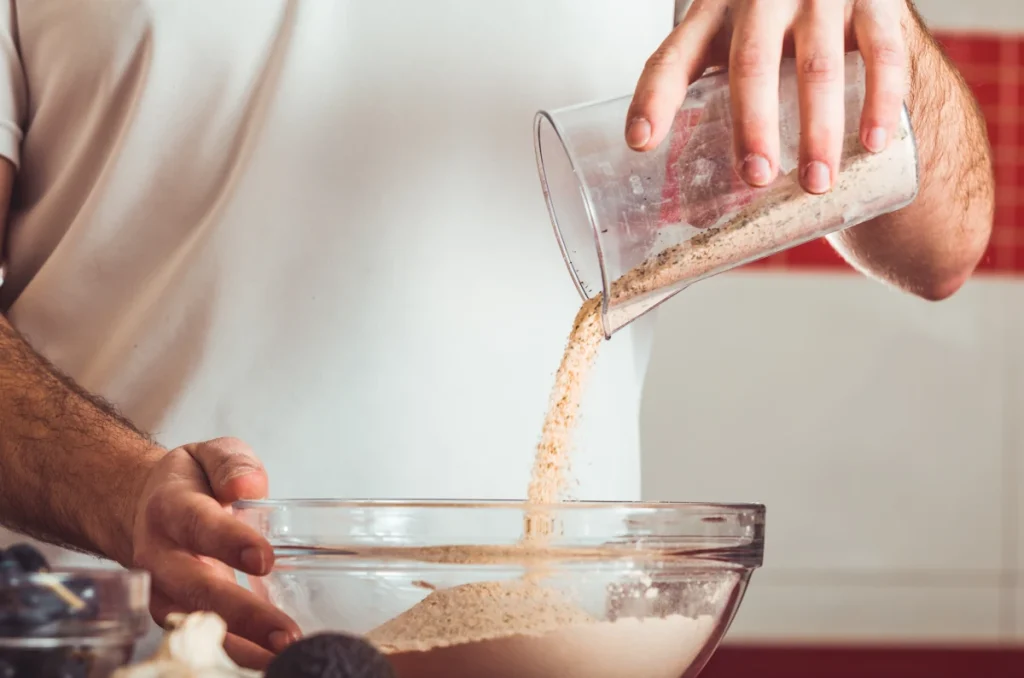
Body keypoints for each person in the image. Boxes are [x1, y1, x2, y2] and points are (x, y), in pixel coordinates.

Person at [0, 0, 992, 669]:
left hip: (539, 652)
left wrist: (872, 14)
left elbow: (941, 243)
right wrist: (120, 492)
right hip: (132, 644)